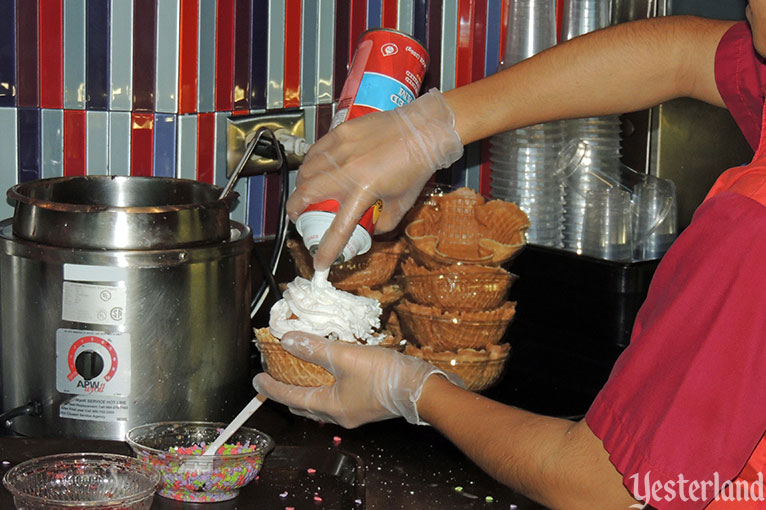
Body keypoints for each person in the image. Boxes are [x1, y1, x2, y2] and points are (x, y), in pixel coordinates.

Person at [253, 5, 766, 509]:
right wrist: (433, 126)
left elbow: (602, 489)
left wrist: (412, 391)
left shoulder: (752, 230)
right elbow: (682, 54)